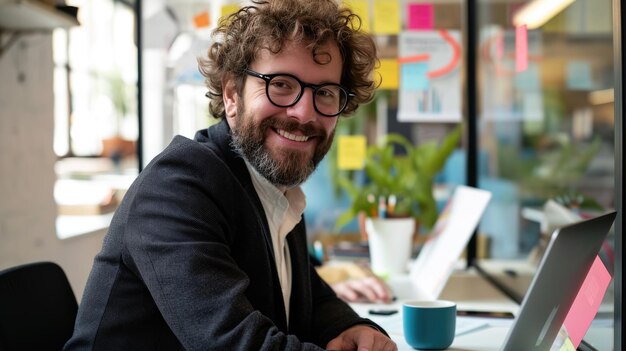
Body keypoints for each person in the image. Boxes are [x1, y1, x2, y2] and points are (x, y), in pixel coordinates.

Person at [64, 0, 397, 350]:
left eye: (325, 93)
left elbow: (306, 294)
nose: (303, 113)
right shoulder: (178, 187)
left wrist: (349, 327)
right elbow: (236, 344)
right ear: (232, 95)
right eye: (281, 84)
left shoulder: (274, 187)